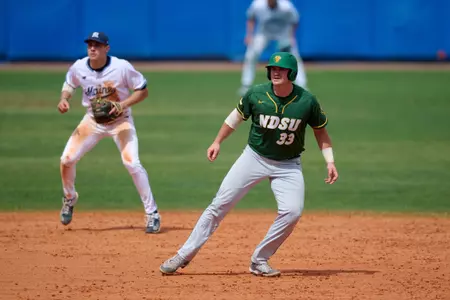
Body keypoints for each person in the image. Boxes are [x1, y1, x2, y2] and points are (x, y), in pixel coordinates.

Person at [160, 52, 338, 277]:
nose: (275, 71)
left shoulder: (306, 101)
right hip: (254, 158)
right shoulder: (256, 94)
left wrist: (330, 161)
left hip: (288, 165)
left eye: (281, 69)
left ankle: (259, 260)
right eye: (272, 68)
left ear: (291, 73)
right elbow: (234, 118)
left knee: (292, 212)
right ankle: (182, 255)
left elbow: (321, 132)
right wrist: (217, 141)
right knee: (218, 206)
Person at [57, 32, 161, 234]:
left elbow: (143, 90)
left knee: (132, 162)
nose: (92, 48)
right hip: (92, 121)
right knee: (67, 159)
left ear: (107, 48)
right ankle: (70, 198)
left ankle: (152, 214)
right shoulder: (79, 67)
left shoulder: (121, 67)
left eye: (97, 45)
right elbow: (69, 83)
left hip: (121, 121)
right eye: (90, 45)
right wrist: (64, 98)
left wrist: (122, 105)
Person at [239, 0, 308, 96]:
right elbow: (251, 18)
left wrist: (291, 37)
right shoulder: (258, 4)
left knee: (294, 57)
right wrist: (249, 35)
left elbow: (294, 20)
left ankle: (302, 85)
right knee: (251, 55)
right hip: (263, 33)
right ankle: (246, 84)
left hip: (282, 34)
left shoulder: (286, 6)